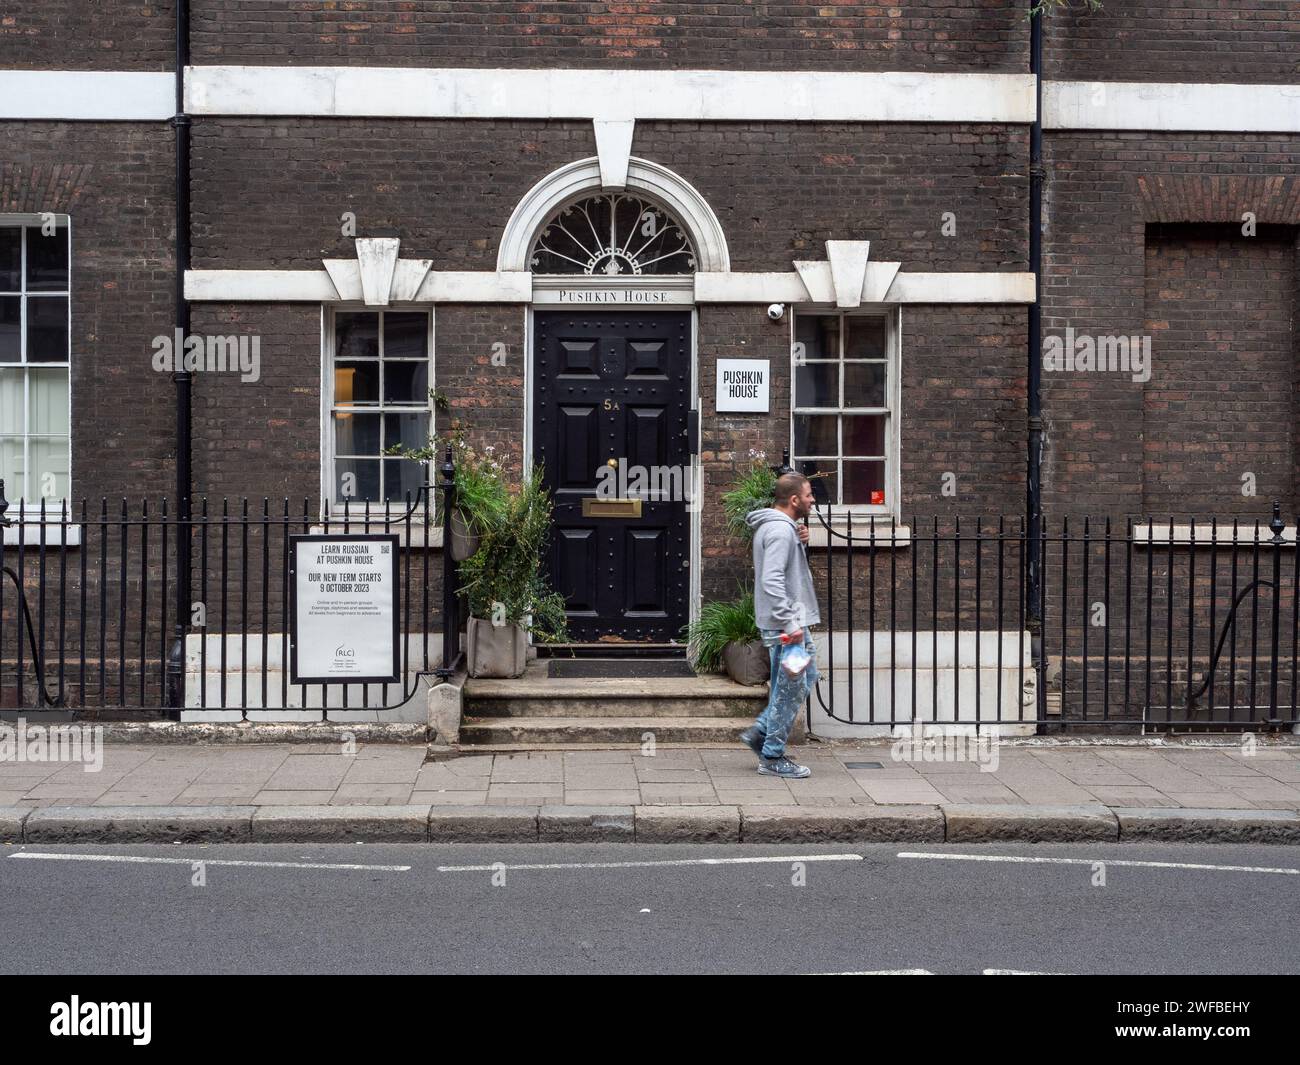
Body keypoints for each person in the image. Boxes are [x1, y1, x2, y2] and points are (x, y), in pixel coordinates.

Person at [738, 472, 820, 778]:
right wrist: (789, 622)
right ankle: (771, 755)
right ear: (795, 499)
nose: (813, 500)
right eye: (809, 495)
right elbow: (771, 580)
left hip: (791, 623)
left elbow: (786, 573)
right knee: (790, 687)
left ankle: (760, 731)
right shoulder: (779, 532)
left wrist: (801, 543)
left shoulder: (784, 529)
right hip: (787, 627)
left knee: (805, 676)